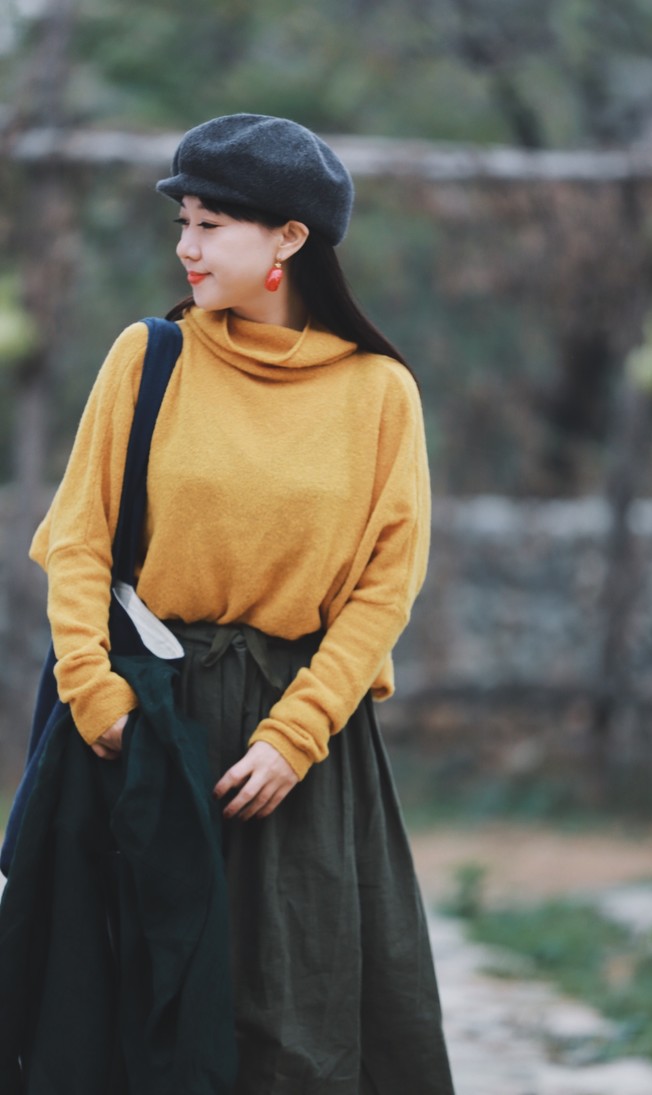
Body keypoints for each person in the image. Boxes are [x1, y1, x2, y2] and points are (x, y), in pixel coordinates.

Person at [27, 113, 455, 1094]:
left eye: (210, 224)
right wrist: (96, 696)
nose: (186, 245)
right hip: (151, 727)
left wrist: (295, 737)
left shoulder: (379, 393)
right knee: (135, 1011)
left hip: (298, 748)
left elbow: (385, 588)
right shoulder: (149, 357)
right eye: (182, 220)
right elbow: (79, 539)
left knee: (292, 1022)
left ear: (290, 238)